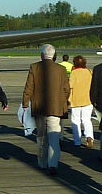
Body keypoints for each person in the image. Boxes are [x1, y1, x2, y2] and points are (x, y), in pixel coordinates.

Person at [23, 44, 70, 175]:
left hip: (40, 108)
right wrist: (62, 101)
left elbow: (29, 88)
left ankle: (42, 162)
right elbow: (66, 89)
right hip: (56, 108)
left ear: (42, 55)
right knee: (54, 137)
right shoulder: (61, 69)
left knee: (41, 137)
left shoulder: (34, 67)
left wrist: (25, 103)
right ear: (54, 55)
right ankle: (53, 164)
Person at [68, 55, 95, 148]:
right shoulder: (89, 72)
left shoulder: (74, 73)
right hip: (87, 99)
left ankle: (77, 141)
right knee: (87, 119)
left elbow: (70, 86)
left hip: (75, 99)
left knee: (75, 120)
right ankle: (89, 136)